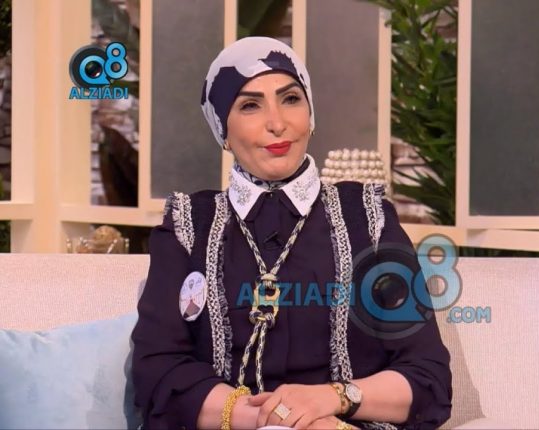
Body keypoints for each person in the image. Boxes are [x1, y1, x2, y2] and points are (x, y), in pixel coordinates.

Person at [131, 37, 452, 430]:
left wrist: (329, 400)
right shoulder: (187, 227)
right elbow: (158, 372)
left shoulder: (368, 219)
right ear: (223, 130)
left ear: (310, 115)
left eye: (291, 99)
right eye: (250, 105)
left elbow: (427, 376)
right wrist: (274, 419)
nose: (277, 123)